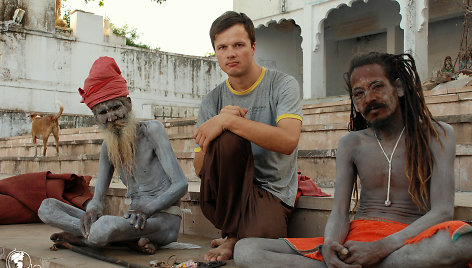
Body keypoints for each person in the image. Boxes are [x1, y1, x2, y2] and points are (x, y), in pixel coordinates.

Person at [234, 52, 472, 268]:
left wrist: (382, 247)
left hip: (408, 240)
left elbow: (442, 212)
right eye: (359, 93)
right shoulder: (351, 143)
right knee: (246, 249)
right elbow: (339, 213)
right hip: (357, 241)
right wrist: (330, 246)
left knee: (462, 242)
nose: (369, 98)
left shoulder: (436, 134)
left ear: (399, 88)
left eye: (377, 86)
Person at [38, 56, 188, 254]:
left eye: (116, 107)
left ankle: (90, 238)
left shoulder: (152, 131)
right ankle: (115, 239)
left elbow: (181, 185)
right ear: (96, 118)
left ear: (129, 105)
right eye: (102, 112)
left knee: (104, 227)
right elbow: (98, 199)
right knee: (46, 207)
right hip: (131, 222)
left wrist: (147, 210)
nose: (111, 117)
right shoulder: (108, 148)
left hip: (162, 221)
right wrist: (92, 210)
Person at [193, 11, 303, 261]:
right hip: (225, 196)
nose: (230, 53)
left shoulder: (282, 84)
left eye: (238, 45)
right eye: (222, 47)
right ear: (216, 53)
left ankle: (234, 236)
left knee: (253, 248)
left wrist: (229, 121)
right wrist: (218, 129)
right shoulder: (212, 99)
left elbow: (288, 141)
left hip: (271, 192)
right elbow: (200, 168)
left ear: (253, 47)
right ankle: (232, 233)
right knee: (226, 138)